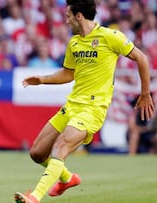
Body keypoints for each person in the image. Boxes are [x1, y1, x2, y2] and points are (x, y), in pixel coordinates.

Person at [14, 1, 155, 203]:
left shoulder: (110, 37)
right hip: (72, 106)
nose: (66, 19)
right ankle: (67, 178)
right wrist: (42, 80)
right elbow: (68, 74)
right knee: (37, 153)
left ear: (79, 16)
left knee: (60, 147)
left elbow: (142, 59)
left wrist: (145, 93)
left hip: (93, 110)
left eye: (68, 15)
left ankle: (34, 197)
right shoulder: (74, 43)